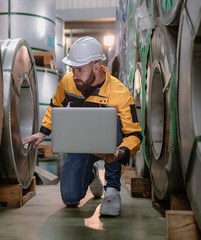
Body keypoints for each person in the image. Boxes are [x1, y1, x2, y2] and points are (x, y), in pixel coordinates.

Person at [23, 36, 142, 216]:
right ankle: (92, 175)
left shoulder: (120, 94)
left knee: (114, 122)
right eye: (72, 69)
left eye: (79, 69)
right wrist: (43, 131)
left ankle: (112, 190)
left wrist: (121, 153)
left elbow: (134, 134)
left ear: (96, 66)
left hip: (110, 149)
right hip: (80, 145)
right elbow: (55, 105)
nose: (74, 74)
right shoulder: (68, 82)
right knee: (70, 199)